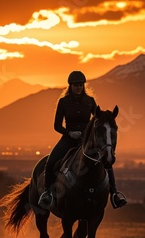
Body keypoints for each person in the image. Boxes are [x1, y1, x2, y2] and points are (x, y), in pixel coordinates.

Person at [38, 70, 127, 209]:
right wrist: (69, 133)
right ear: (70, 86)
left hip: (86, 142)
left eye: (80, 85)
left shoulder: (90, 101)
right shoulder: (63, 102)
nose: (78, 87)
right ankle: (47, 193)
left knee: (106, 162)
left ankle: (115, 194)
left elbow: (96, 119)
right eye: (75, 85)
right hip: (68, 140)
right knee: (50, 162)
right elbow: (56, 125)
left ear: (84, 86)